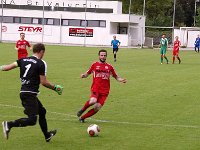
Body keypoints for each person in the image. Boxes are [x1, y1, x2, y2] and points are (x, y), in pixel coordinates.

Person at [1, 43, 63, 142]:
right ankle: (8, 124)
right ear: (41, 51)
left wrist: (1, 67)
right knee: (32, 120)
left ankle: (47, 135)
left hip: (25, 92)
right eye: (44, 52)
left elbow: (7, 67)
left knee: (42, 111)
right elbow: (44, 82)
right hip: (29, 94)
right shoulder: (41, 63)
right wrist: (55, 88)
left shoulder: (23, 60)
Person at [77, 49, 126, 123]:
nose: (103, 57)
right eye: (101, 55)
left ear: (106, 56)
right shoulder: (94, 65)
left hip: (105, 91)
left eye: (104, 55)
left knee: (97, 108)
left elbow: (116, 76)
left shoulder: (109, 67)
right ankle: (82, 109)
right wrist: (83, 75)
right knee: (93, 101)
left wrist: (121, 79)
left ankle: (82, 118)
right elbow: (88, 73)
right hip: (96, 88)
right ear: (99, 56)